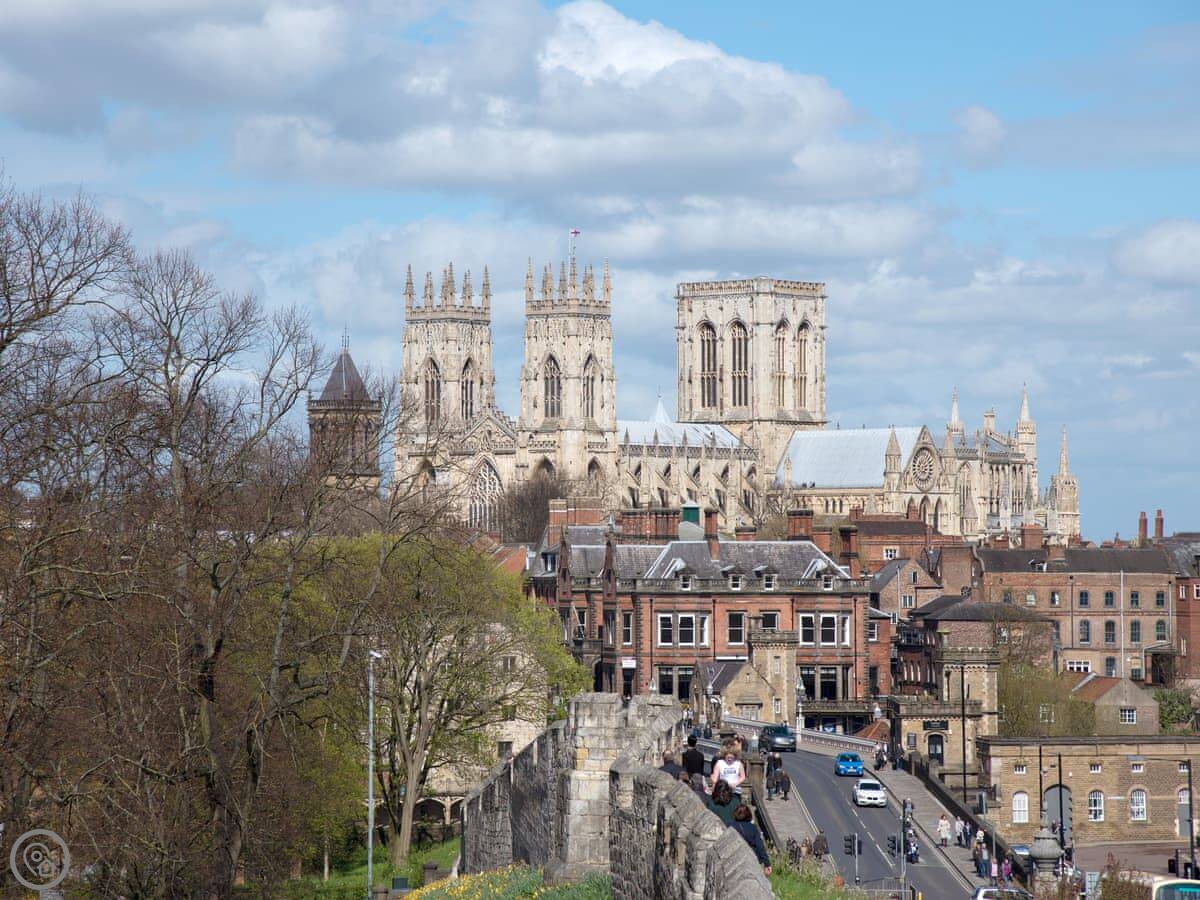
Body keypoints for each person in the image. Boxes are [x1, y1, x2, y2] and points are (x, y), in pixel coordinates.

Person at [731, 804, 771, 875]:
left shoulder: (730, 826)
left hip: (735, 857)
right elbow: (760, 846)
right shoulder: (753, 828)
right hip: (751, 858)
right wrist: (767, 863)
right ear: (748, 815)